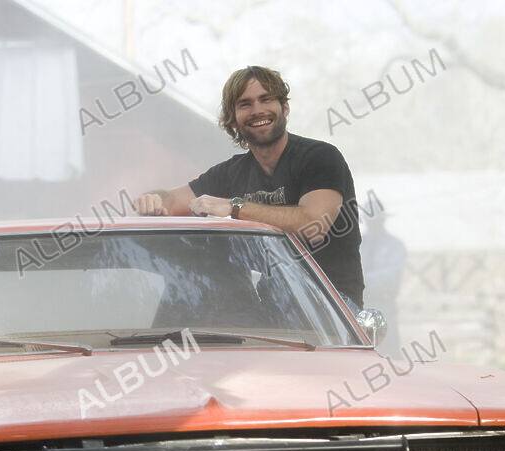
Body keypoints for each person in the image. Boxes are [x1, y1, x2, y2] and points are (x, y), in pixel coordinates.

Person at [133, 66, 364, 311]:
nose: (257, 110)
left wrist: (234, 207)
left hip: (333, 306)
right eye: (245, 104)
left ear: (285, 107)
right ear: (232, 120)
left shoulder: (320, 157)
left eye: (266, 99)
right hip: (273, 310)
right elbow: (170, 200)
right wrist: (153, 199)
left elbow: (312, 225)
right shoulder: (230, 173)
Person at [359, 210, 405, 351]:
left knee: (388, 347)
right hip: (362, 303)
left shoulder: (394, 245)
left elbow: (390, 276)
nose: (372, 223)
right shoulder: (360, 243)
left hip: (383, 302)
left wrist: (365, 279)